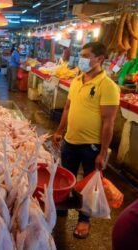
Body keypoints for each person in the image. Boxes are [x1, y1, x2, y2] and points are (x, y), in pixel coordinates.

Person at [52, 42, 120, 239]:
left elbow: (109, 122)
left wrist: (102, 152)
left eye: (86, 55)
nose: (81, 59)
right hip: (70, 141)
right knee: (66, 178)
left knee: (89, 186)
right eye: (80, 55)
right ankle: (62, 209)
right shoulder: (77, 80)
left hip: (91, 146)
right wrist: (59, 131)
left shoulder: (108, 86)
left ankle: (84, 220)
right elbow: (67, 108)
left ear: (99, 59)